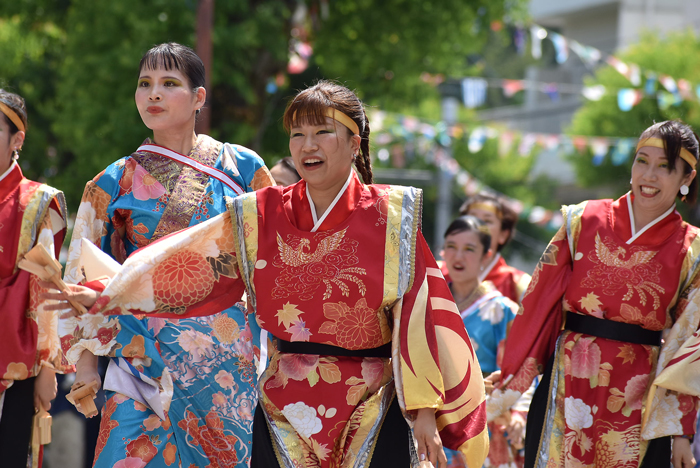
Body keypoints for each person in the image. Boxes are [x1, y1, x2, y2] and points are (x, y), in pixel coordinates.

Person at [53, 80, 489, 468]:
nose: (307, 145)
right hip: (283, 402)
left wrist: (426, 411)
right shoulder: (260, 213)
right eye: (297, 135)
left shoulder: (391, 216)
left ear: (355, 143)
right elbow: (189, 261)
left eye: (322, 132)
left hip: (371, 401)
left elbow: (423, 316)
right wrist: (109, 293)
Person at [56, 43, 274, 467]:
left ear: (198, 98)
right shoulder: (113, 181)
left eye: (169, 84)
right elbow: (83, 275)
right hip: (139, 355)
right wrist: (84, 366)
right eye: (145, 84)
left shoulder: (244, 168)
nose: (153, 94)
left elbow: (272, 262)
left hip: (224, 360)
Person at [487, 120, 700, 468]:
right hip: (566, 378)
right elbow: (540, 302)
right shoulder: (582, 219)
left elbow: (687, 346)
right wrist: (513, 372)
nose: (649, 175)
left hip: (638, 391)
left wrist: (681, 431)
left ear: (686, 179)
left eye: (665, 167)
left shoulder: (692, 250)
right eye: (641, 161)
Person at [0, 89, 70, 467]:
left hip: (15, 357)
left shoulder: (37, 203)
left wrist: (47, 368)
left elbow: (43, 291)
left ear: (17, 140)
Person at [440, 216, 522, 468]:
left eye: (469, 249)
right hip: (434, 416)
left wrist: (517, 414)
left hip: (486, 416)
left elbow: (521, 370)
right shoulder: (430, 303)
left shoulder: (503, 310)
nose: (458, 256)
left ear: (487, 256)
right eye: (451, 246)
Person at [458, 193, 531, 304]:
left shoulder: (520, 284)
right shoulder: (435, 274)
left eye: (487, 221)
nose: (476, 225)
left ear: (503, 235)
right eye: (471, 217)